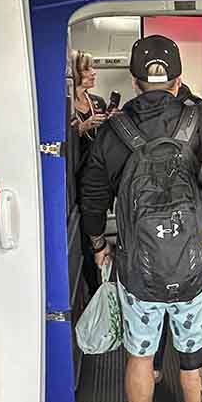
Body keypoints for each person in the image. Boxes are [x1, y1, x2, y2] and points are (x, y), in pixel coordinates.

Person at [78, 35, 202, 402]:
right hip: (194, 267)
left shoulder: (113, 130)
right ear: (178, 79)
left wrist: (99, 245)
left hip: (138, 271)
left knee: (139, 356)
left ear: (135, 82)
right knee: (192, 356)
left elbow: (92, 195)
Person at [70, 52, 109, 293]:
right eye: (87, 69)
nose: (93, 72)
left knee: (96, 229)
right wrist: (80, 129)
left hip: (95, 178)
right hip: (74, 178)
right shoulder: (62, 104)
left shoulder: (98, 102)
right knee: (83, 241)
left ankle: (99, 286)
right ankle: (90, 292)